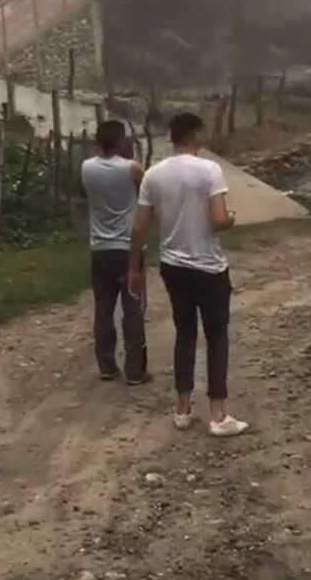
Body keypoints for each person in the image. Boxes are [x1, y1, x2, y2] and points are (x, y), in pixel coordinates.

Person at [129, 112, 248, 437]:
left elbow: (140, 226)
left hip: (173, 266)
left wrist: (133, 268)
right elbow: (219, 219)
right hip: (208, 266)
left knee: (185, 333)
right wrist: (232, 218)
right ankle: (218, 414)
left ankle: (182, 409)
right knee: (216, 336)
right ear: (196, 134)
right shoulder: (209, 170)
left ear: (172, 137)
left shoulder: (153, 174)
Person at [81, 119, 149, 385]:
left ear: (98, 141)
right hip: (127, 248)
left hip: (99, 248)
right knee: (132, 310)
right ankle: (135, 371)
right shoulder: (132, 169)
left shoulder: (86, 167)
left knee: (103, 309)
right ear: (122, 142)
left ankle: (107, 366)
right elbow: (147, 194)